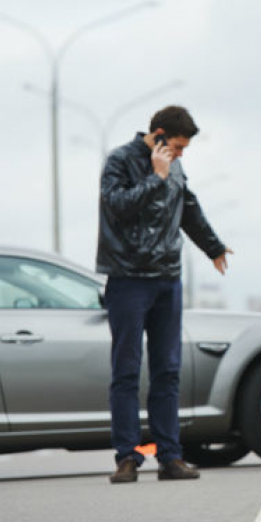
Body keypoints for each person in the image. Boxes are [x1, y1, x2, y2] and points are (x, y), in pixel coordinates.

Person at [96, 105, 233, 484]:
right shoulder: (120, 161)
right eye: (176, 146)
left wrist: (213, 246)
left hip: (167, 279)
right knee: (126, 371)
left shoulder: (175, 165)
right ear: (157, 135)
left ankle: (170, 457)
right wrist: (156, 177)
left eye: (184, 149)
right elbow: (117, 206)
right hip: (127, 278)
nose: (180, 154)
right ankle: (126, 457)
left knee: (168, 372)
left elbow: (187, 206)